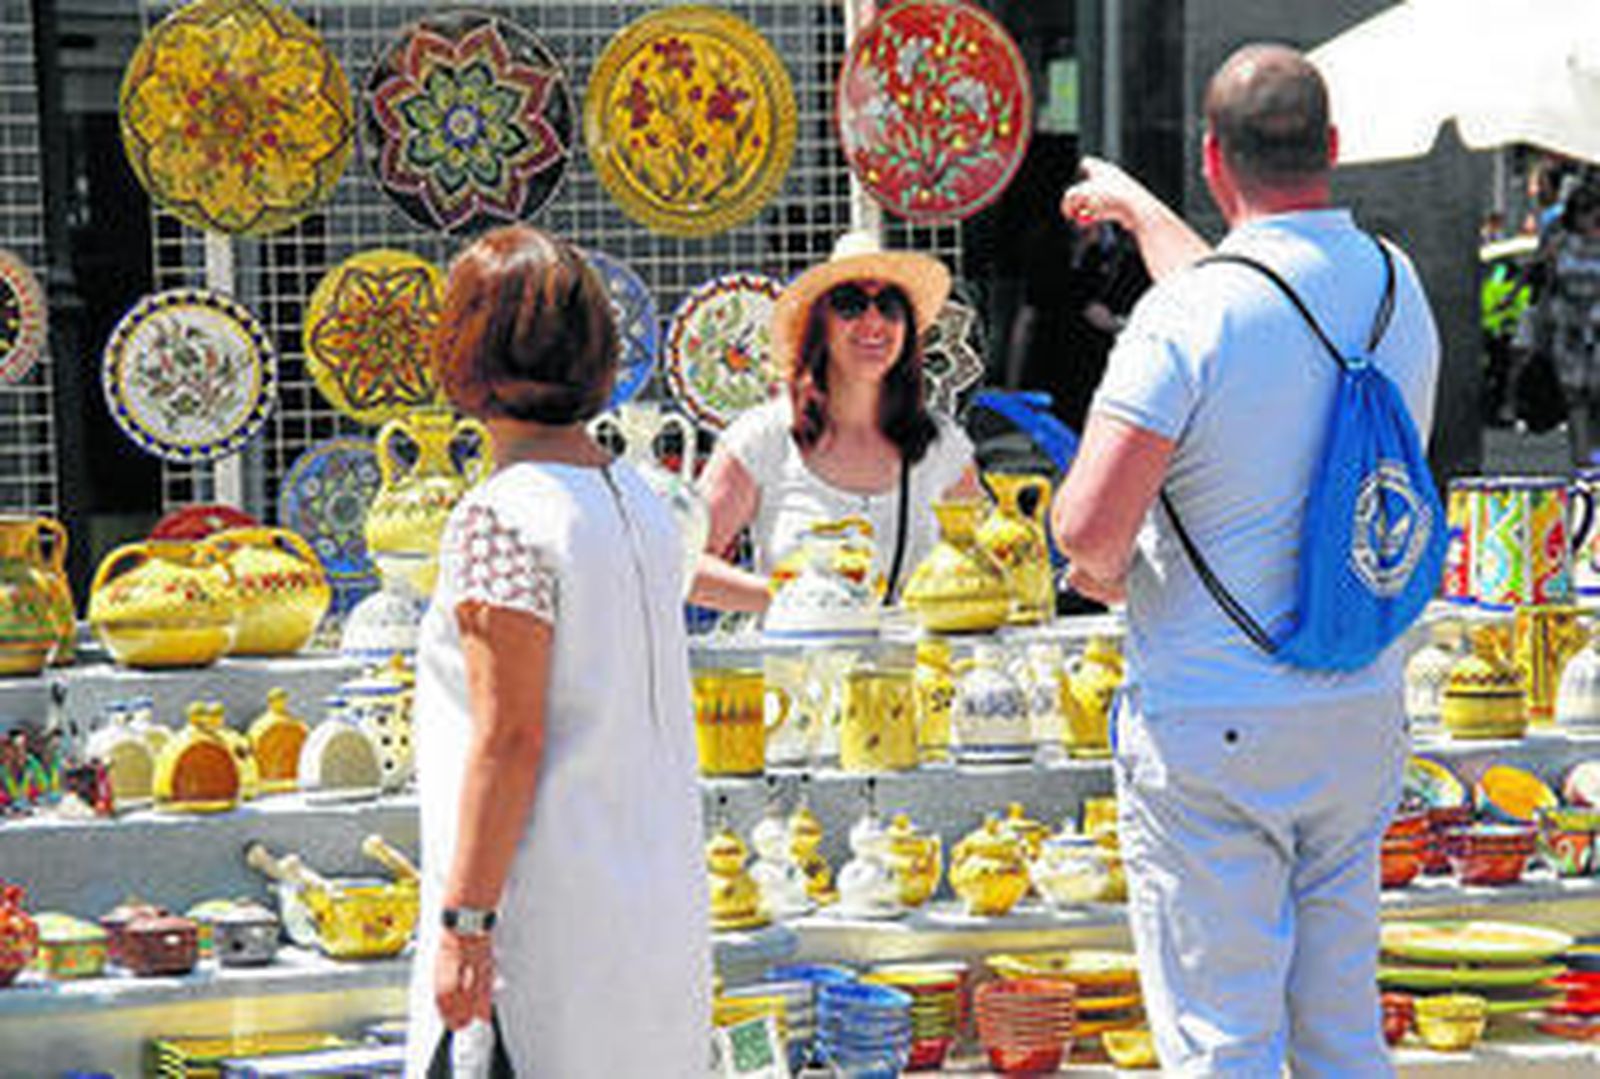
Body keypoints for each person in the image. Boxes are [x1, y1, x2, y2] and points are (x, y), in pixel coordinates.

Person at [1050, 44, 1439, 1076]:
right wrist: (1140, 212)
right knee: (1340, 1032)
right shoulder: (1399, 287)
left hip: (1212, 721)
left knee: (1222, 1039)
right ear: (1336, 149)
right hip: (1357, 703)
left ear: (1213, 157)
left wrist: (1100, 566)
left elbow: (1088, 532)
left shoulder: (1185, 319)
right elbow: (1259, 301)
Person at [406, 225, 709, 1077]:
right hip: (653, 904)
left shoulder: (501, 515)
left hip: (546, 922)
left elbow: (509, 737)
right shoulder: (643, 503)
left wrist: (466, 924)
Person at [692, 231, 981, 612]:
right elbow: (683, 563)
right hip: (794, 668)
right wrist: (793, 601)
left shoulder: (943, 445)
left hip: (917, 669)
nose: (873, 321)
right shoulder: (762, 437)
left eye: (891, 306)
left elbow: (984, 563)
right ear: (818, 324)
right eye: (850, 304)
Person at [1533, 179, 1600, 465]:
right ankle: (1582, 461)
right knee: (1575, 397)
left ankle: (1595, 455)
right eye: (1584, 211)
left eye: (1594, 211)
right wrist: (1541, 326)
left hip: (1598, 327)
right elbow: (1546, 285)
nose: (1590, 218)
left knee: (1598, 395)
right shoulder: (1559, 243)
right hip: (1568, 328)